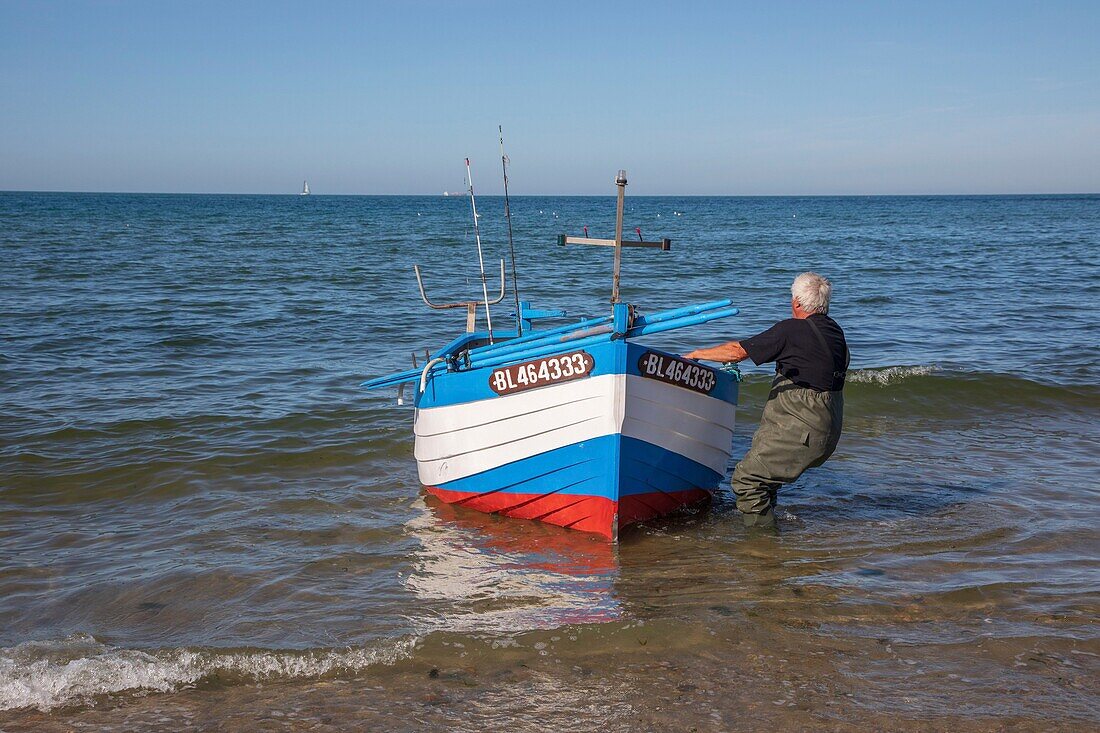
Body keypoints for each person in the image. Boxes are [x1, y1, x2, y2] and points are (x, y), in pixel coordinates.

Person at [684, 272, 849, 528]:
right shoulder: (834, 331)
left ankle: (763, 549)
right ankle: (769, 524)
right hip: (826, 429)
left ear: (796, 302)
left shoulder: (792, 329)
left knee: (746, 480)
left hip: (803, 428)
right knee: (765, 482)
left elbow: (737, 352)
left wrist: (696, 354)